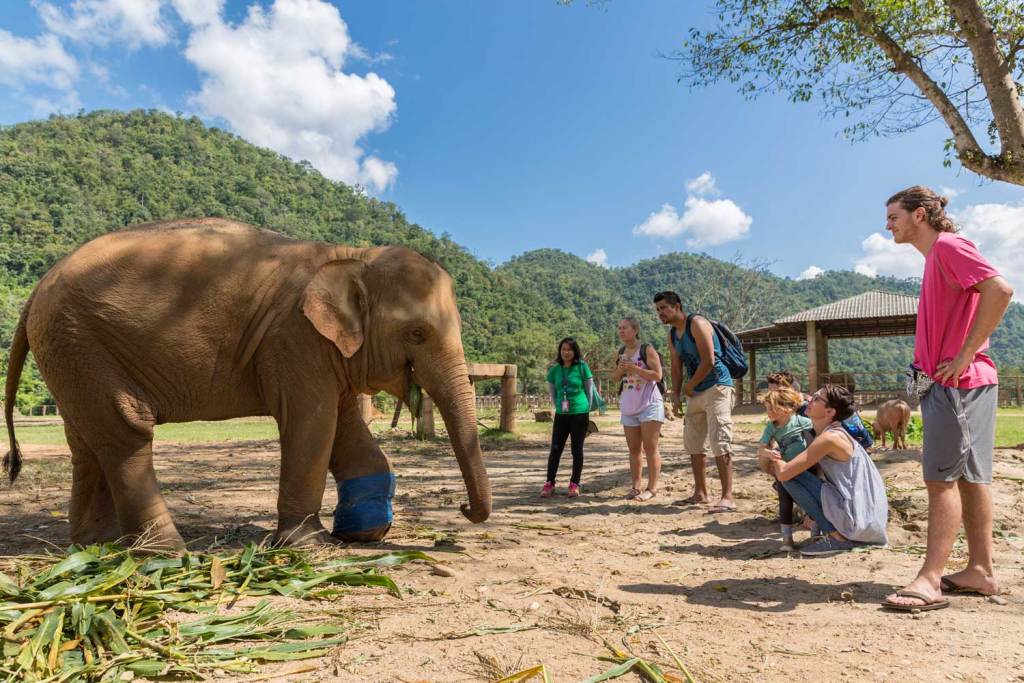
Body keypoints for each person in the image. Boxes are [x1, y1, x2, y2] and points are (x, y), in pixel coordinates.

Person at [880, 186, 1013, 612]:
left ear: (919, 215)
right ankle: (980, 571)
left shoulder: (948, 247)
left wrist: (966, 353)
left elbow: (1000, 291)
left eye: (894, 216)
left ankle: (929, 579)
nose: (888, 225)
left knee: (941, 481)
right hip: (955, 384)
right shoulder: (937, 256)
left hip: (958, 383)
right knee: (971, 478)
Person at [759, 385, 889, 557]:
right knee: (795, 474)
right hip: (869, 520)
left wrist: (775, 452)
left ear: (829, 412)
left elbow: (784, 473)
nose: (809, 399)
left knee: (790, 477)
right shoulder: (830, 432)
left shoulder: (830, 438)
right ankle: (832, 533)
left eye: (816, 398)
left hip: (859, 521)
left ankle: (837, 538)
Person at [654, 291, 735, 513]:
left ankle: (727, 496)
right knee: (694, 443)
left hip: (717, 386)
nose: (660, 313)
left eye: (664, 308)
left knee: (720, 440)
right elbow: (676, 366)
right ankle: (700, 493)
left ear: (677, 306)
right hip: (695, 392)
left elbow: (709, 360)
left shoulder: (697, 323)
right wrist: (676, 393)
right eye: (658, 310)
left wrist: (689, 386)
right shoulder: (672, 335)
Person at [611, 317, 665, 502]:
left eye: (625, 328)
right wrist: (621, 369)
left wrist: (635, 368)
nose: (621, 331)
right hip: (629, 405)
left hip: (649, 404)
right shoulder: (620, 352)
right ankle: (635, 487)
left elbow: (658, 375)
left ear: (635, 330)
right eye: (619, 328)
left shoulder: (646, 349)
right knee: (633, 449)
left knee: (650, 447)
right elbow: (615, 378)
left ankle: (652, 488)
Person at [758, 388, 814, 551]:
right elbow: (761, 449)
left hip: (806, 468)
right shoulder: (771, 427)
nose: (768, 412)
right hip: (784, 469)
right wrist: (769, 453)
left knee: (812, 500)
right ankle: (787, 539)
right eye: (767, 409)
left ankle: (815, 534)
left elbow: (818, 436)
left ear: (786, 409)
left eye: (771, 409)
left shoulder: (802, 422)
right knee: (785, 502)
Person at [541, 337, 595, 498]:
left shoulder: (582, 367)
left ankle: (574, 484)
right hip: (561, 415)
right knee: (555, 449)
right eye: (563, 349)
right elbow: (553, 393)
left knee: (576, 450)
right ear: (560, 351)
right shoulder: (554, 370)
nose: (566, 352)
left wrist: (586, 409)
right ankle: (549, 483)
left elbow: (589, 390)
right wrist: (558, 407)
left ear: (575, 351)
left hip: (580, 413)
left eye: (569, 349)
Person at [766, 371, 874, 450]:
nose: (771, 397)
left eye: (777, 393)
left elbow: (861, 438)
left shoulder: (810, 408)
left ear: (790, 391)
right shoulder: (790, 410)